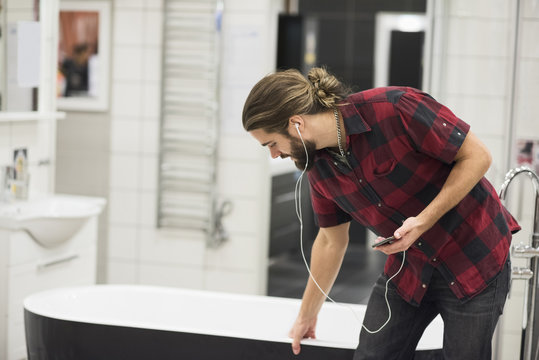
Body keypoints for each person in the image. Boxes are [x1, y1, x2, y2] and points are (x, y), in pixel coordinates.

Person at [242, 67, 520, 359]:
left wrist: (423, 221)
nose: (274, 155)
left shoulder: (397, 107)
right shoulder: (319, 169)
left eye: (271, 143)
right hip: (410, 268)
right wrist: (307, 314)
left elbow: (478, 156)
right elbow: (329, 241)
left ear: (297, 123)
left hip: (474, 256)